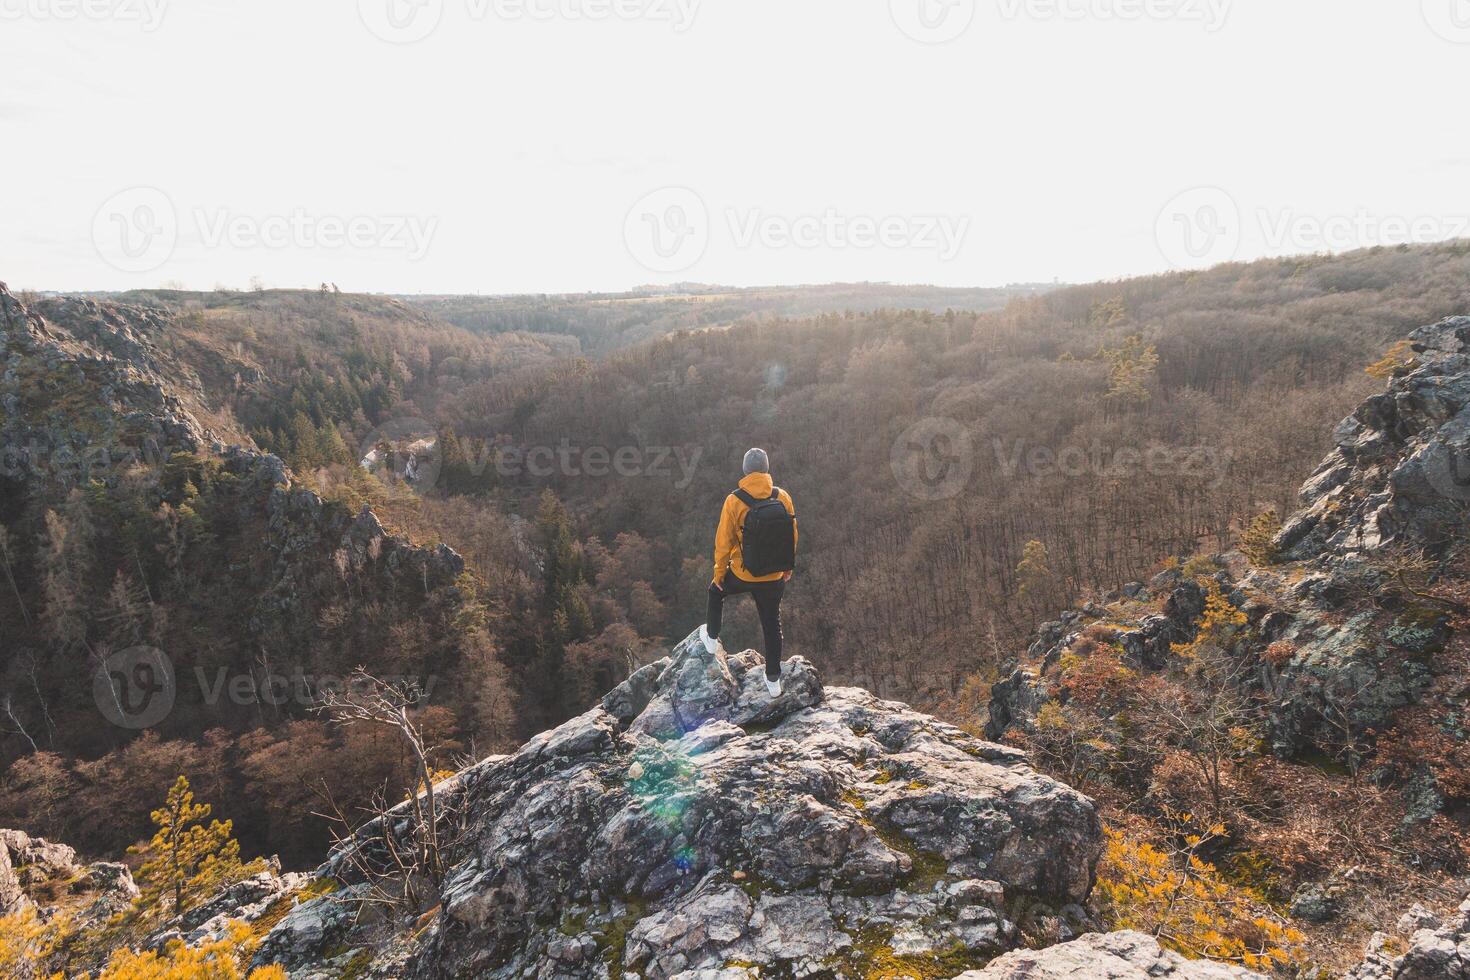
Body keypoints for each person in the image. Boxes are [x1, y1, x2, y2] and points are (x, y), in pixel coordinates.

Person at [700, 448, 798, 695]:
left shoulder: (735, 500)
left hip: (743, 573)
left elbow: (724, 541)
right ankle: (773, 681)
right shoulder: (782, 496)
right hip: (774, 575)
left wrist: (719, 573)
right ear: (766, 469)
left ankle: (711, 641)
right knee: (771, 623)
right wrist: (787, 567)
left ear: (745, 470)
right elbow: (791, 535)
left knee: (715, 592)